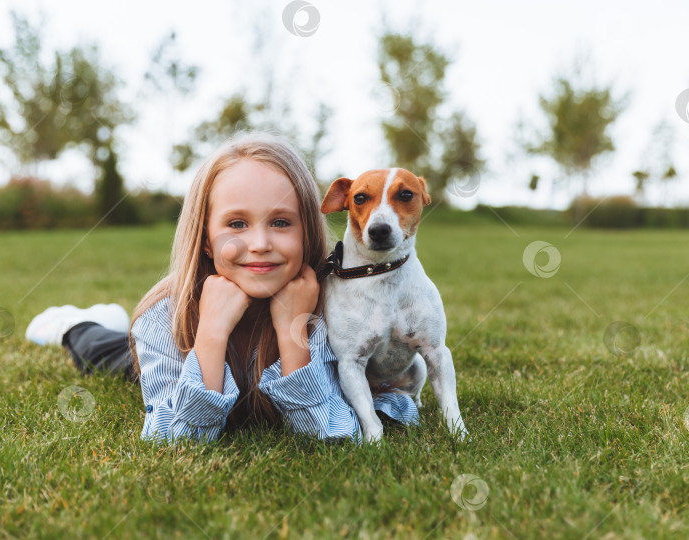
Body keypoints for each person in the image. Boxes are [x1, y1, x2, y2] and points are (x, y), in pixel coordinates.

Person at [25, 131, 419, 445]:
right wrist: (210, 334)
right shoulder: (164, 317)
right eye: (236, 224)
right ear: (207, 239)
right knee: (103, 351)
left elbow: (332, 433)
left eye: (281, 223)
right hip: (178, 359)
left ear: (306, 233)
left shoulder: (326, 308)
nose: (260, 243)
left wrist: (292, 332)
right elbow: (176, 440)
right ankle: (75, 323)